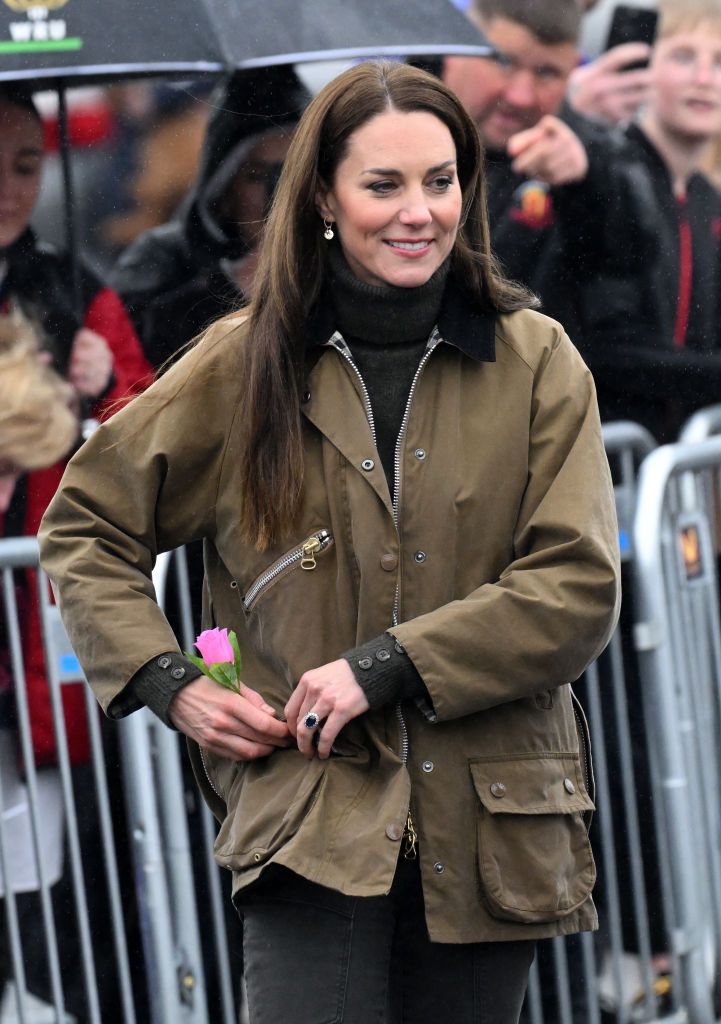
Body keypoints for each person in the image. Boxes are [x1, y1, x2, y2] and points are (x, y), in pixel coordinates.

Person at [39, 61, 620, 1024]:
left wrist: (387, 665)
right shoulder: (242, 360)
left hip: (494, 821)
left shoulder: (538, 361)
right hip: (306, 809)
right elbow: (86, 526)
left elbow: (574, 586)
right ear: (322, 198)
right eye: (382, 184)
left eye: (439, 181)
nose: (418, 212)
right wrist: (170, 682)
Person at [0, 82, 152, 1021]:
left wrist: (105, 393)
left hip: (38, 622)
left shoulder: (74, 285)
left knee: (47, 858)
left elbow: (146, 443)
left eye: (26, 165)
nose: (12, 187)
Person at [440, 0, 649, 342]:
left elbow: (633, 263)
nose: (521, 96)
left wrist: (586, 183)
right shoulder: (386, 121)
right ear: (453, 50)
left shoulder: (587, 154)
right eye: (503, 61)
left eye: (547, 73)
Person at [581, 0, 721, 442]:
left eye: (720, 61)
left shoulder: (706, 199)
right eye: (683, 57)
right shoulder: (610, 174)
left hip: (676, 473)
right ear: (641, 68)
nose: (704, 78)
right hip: (608, 459)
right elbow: (608, 347)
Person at [112, 66, 310, 369]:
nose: (278, 192)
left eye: (293, 170)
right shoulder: (163, 276)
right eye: (257, 176)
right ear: (223, 190)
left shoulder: (346, 273)